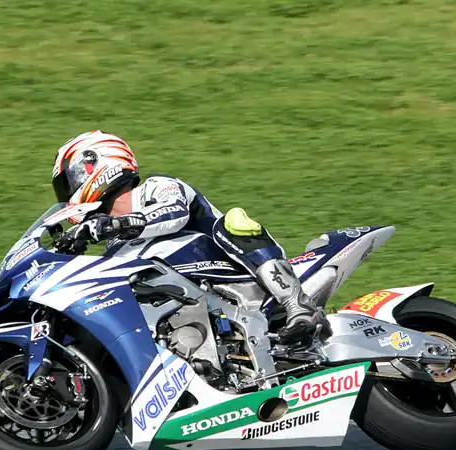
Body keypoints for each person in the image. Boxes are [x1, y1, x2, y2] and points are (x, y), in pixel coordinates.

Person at [51, 130, 329, 344]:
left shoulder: (156, 187)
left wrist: (113, 224)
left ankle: (298, 304)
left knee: (233, 223)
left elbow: (174, 212)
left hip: (236, 275)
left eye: (67, 183)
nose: (66, 196)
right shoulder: (116, 246)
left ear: (92, 165)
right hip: (192, 307)